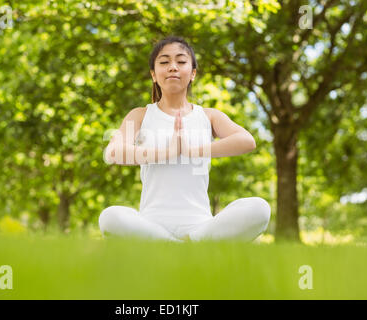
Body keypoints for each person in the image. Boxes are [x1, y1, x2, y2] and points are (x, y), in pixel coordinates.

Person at [99, 36, 271, 242]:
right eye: (164, 62)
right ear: (154, 74)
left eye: (181, 62)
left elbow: (246, 141)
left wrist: (193, 150)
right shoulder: (141, 115)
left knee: (260, 209)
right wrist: (167, 152)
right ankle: (180, 246)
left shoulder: (208, 116)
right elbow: (113, 152)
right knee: (109, 217)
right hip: (151, 224)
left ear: (193, 73)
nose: (173, 67)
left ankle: (187, 242)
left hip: (200, 224)